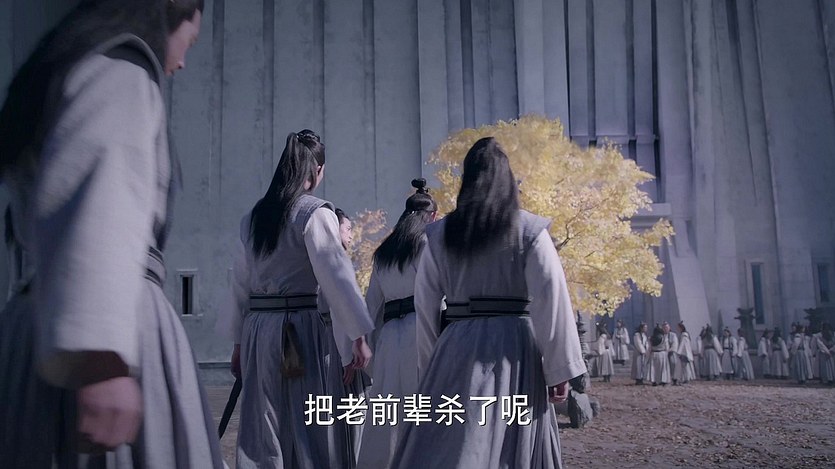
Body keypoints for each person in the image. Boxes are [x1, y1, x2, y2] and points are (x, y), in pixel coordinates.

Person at [0, 1, 224, 467]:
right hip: (110, 322)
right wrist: (101, 362)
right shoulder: (121, 73)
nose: (183, 61)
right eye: (190, 40)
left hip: (39, 318)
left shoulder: (62, 71)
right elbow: (105, 194)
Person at [389, 137, 586, 469]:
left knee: (457, 445)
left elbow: (425, 305)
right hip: (515, 349)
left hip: (457, 347)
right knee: (512, 443)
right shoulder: (530, 231)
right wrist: (559, 369)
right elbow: (551, 299)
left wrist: (431, 364)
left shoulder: (439, 234)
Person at [220, 130, 375, 467]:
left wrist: (238, 343)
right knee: (306, 421)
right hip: (296, 332)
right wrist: (358, 336)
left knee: (263, 422)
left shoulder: (256, 216)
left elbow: (239, 283)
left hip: (258, 330)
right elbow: (336, 276)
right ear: (316, 171)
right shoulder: (314, 213)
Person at [357, 178, 439, 469]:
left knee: (387, 409)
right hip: (421, 328)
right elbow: (434, 295)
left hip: (391, 335)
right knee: (422, 405)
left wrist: (367, 344)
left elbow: (371, 305)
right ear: (432, 216)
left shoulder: (384, 252)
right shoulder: (427, 245)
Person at [320, 207, 373, 462]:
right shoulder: (334, 260)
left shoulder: (317, 259)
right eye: (348, 229)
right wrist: (348, 357)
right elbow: (340, 308)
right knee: (351, 415)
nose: (351, 235)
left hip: (326, 345)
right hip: (338, 347)